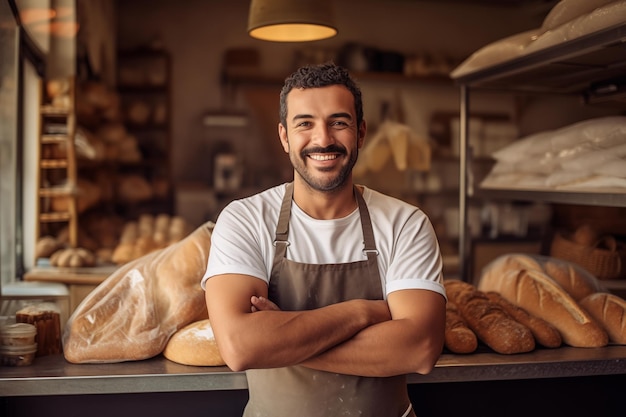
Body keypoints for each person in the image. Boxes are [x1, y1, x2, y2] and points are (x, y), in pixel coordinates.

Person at [201, 62, 447, 417]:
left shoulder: (405, 222)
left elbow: (420, 350)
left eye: (339, 122)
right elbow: (240, 347)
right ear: (285, 136)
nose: (323, 139)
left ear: (360, 133)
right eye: (305, 124)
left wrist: (282, 338)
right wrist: (364, 311)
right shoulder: (245, 219)